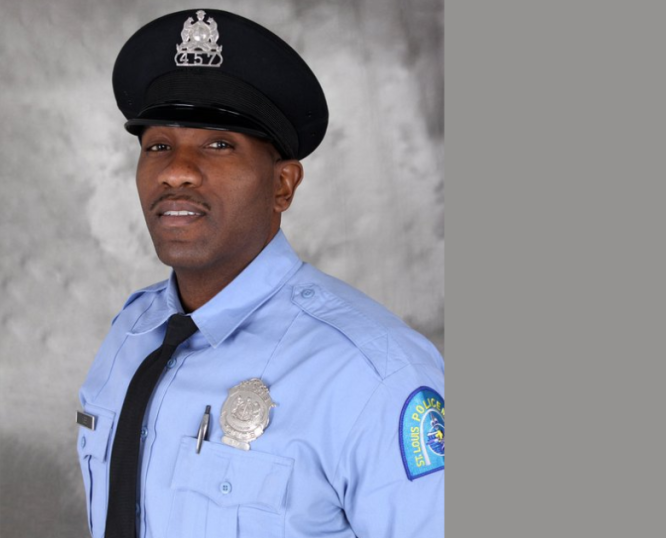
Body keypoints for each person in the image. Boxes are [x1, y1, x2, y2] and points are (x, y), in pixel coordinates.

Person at [76, 9, 444, 538]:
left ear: (282, 186)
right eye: (158, 145)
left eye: (218, 145)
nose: (176, 170)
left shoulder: (375, 375)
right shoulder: (131, 335)